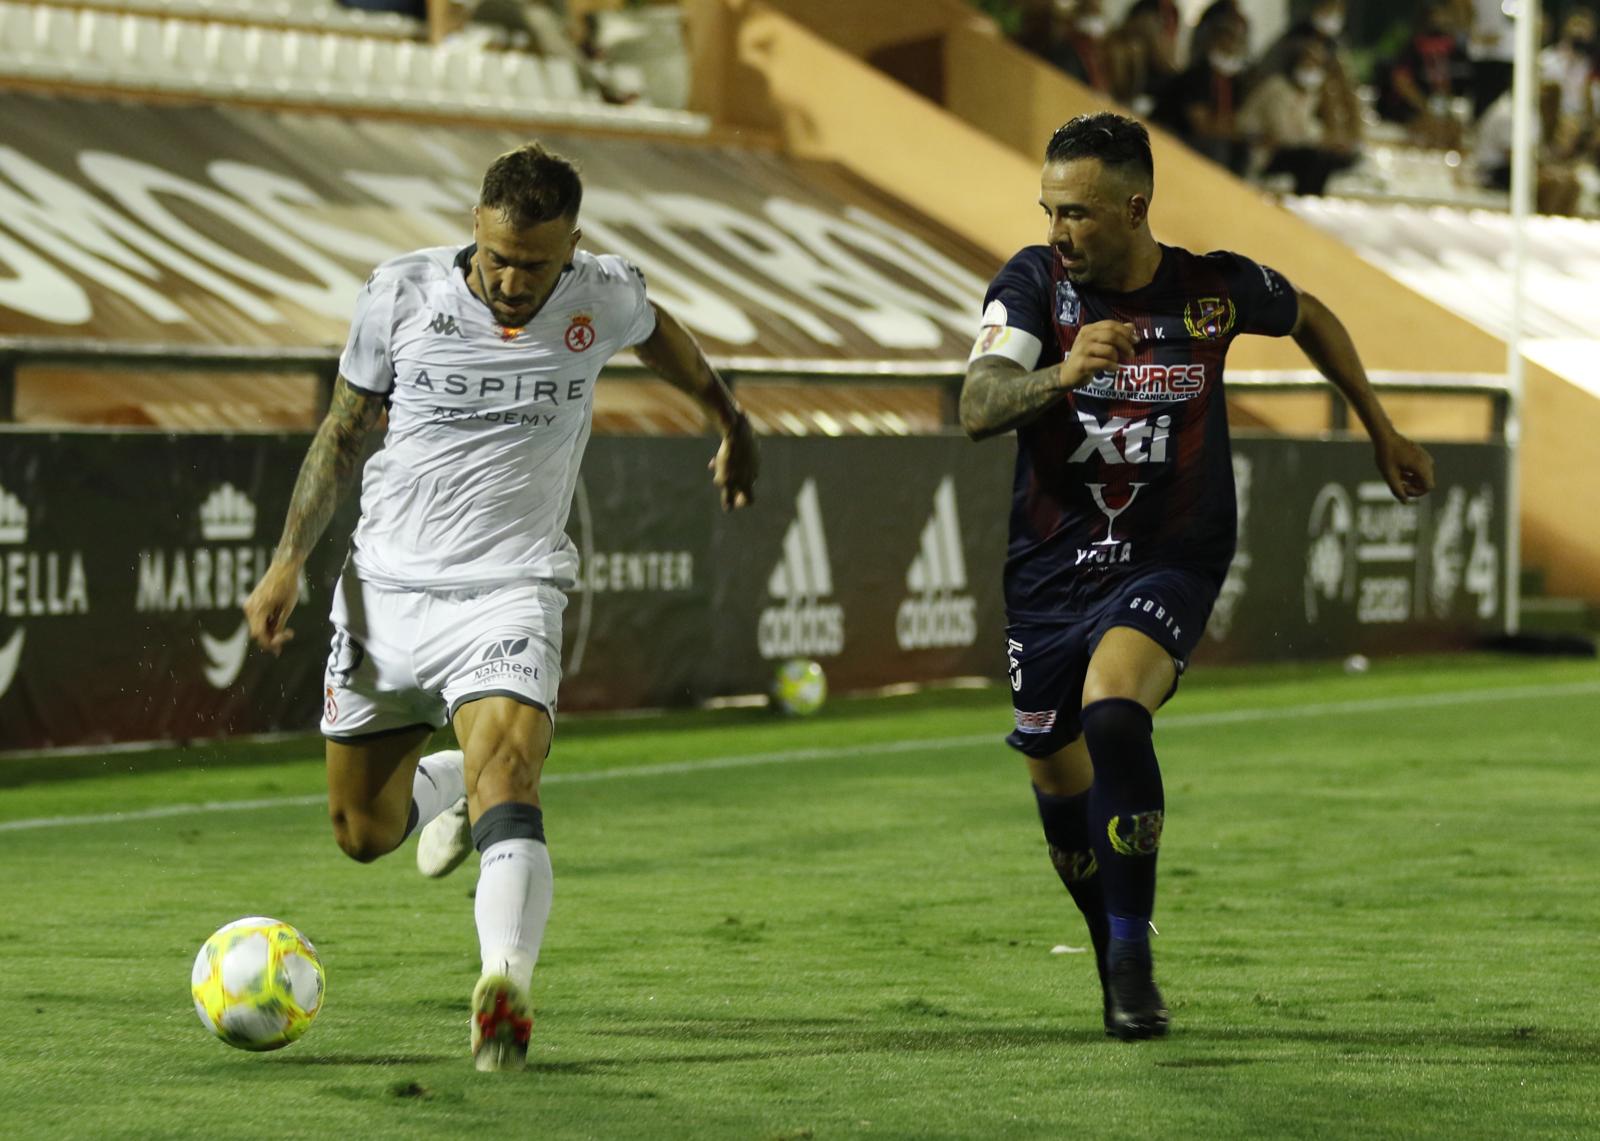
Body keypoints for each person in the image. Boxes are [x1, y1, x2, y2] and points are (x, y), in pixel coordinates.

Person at [242, 142, 758, 1072]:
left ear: (572, 249)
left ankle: (503, 991)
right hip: (385, 593)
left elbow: (660, 333)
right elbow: (344, 429)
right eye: (498, 258)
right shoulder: (399, 293)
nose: (514, 281)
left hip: (511, 586)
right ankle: (441, 786)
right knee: (361, 834)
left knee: (513, 775)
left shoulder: (600, 292)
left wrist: (730, 417)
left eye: (536, 264)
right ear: (475, 231)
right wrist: (288, 559)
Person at [958, 113, 1434, 1040]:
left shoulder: (1212, 291)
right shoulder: (1032, 286)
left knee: (1113, 710)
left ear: (1135, 207)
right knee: (1060, 788)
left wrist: (1378, 425)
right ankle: (1112, 953)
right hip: (1049, 572)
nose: (1060, 232)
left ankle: (1134, 962)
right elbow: (977, 405)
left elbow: (1311, 315)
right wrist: (1061, 374)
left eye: (1081, 215)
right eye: (1050, 211)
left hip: (1173, 552)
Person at [1238, 37, 1357, 195]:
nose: (1311, 69)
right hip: (1257, 153)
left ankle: (1311, 201)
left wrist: (1329, 140)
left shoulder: (1308, 95)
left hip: (1284, 150)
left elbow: (1305, 127)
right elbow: (1283, 133)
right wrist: (1321, 141)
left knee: (1334, 157)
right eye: (1307, 63)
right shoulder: (1277, 88)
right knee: (1314, 157)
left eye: (1316, 65)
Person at [1152, 11, 1251, 175]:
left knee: (1241, 150)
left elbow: (1234, 121)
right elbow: (1200, 125)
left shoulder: (1235, 84)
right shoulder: (1197, 76)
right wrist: (1227, 130)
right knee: (1217, 146)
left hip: (1204, 138)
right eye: (1225, 39)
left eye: (1235, 41)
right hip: (1173, 134)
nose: (1230, 45)